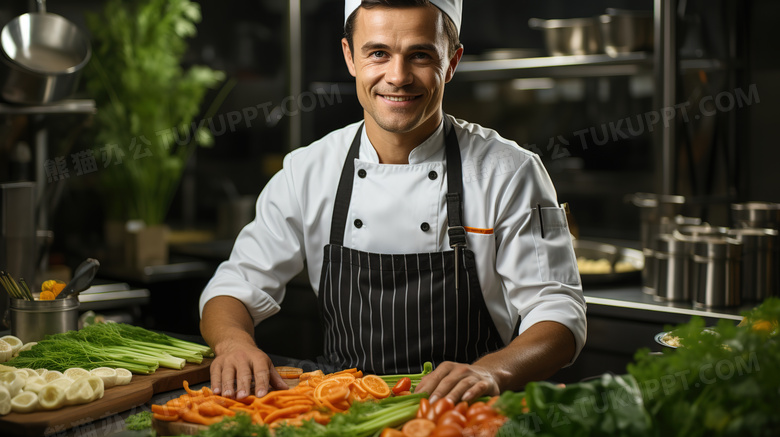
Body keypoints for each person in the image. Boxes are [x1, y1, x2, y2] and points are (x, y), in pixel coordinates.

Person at [199, 0, 586, 405]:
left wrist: (492, 370)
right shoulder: (308, 171)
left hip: (462, 418)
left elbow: (559, 313)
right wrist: (233, 343)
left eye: (419, 55)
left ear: (451, 63)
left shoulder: (508, 172)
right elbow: (232, 289)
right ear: (350, 56)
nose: (397, 77)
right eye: (378, 53)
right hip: (341, 414)